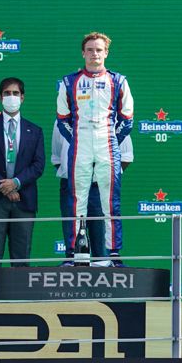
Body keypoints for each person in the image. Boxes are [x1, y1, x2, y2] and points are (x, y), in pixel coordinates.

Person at [56, 32, 134, 261]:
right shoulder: (69, 81)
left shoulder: (118, 81)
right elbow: (62, 118)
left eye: (99, 50)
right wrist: (77, 138)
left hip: (106, 144)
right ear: (83, 53)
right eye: (90, 50)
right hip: (80, 145)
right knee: (76, 200)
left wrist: (111, 139)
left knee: (110, 201)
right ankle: (75, 254)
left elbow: (127, 118)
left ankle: (113, 254)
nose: (94, 54)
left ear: (106, 53)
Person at [0, 77, 45, 300]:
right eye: (7, 93)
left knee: (21, 257)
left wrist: (15, 183)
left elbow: (38, 165)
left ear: (22, 98)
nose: (11, 97)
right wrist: (4, 186)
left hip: (23, 201)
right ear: (0, 97)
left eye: (15, 93)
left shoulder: (35, 130)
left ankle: (20, 303)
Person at [51, 120, 133, 266]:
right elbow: (57, 157)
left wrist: (100, 178)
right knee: (73, 249)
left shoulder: (112, 117)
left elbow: (125, 156)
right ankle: (72, 268)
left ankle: (104, 271)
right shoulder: (62, 119)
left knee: (102, 251)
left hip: (99, 188)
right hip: (71, 186)